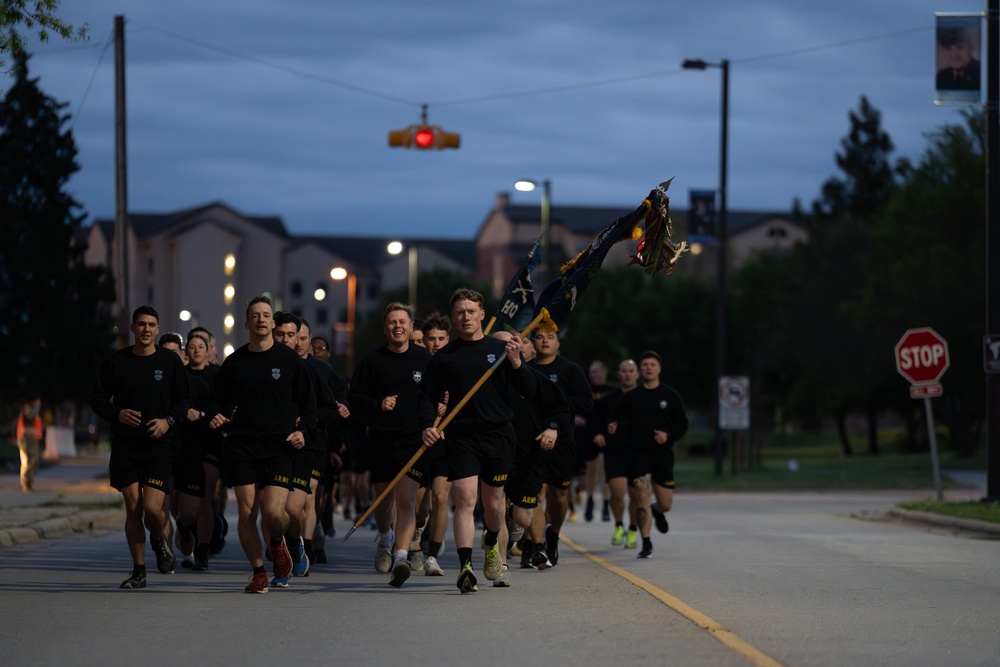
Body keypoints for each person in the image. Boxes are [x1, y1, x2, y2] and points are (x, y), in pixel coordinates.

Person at [419, 288, 531, 592]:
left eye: (471, 311)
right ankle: (466, 566)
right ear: (453, 318)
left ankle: (493, 543)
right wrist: (428, 425)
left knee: (495, 505)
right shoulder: (445, 356)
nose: (465, 316)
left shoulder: (501, 348)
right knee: (466, 499)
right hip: (462, 435)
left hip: (498, 434)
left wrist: (517, 361)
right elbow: (427, 395)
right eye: (459, 312)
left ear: (482, 314)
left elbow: (525, 387)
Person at [206, 295, 317, 593]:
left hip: (278, 447)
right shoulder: (235, 362)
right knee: (246, 513)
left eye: (266, 315)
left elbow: (310, 403)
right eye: (255, 315)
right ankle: (258, 571)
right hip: (242, 446)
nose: (261, 320)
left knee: (273, 514)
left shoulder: (290, 360)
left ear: (272, 321)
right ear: (247, 323)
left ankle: (278, 544)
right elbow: (216, 398)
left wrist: (304, 430)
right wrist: (216, 414)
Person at [91, 305, 191, 590]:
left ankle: (158, 540)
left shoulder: (170, 362)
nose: (146, 329)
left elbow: (183, 400)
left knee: (151, 509)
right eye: (141, 324)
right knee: (133, 509)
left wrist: (168, 421)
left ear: (157, 329)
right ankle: (138, 570)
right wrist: (117, 413)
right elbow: (98, 399)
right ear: (133, 329)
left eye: (151, 324)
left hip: (158, 445)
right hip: (125, 444)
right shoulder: (116, 361)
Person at [349, 303, 433, 587]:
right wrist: (378, 404)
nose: (398, 327)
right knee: (384, 502)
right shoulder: (372, 360)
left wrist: (433, 420)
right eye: (392, 322)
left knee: (406, 501)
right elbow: (355, 398)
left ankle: (400, 556)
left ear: (411, 327)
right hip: (382, 439)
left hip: (414, 441)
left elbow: (432, 397)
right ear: (385, 328)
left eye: (402, 322)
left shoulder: (424, 359)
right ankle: (385, 540)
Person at [608, 351, 689, 559]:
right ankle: (646, 541)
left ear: (659, 368)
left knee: (666, 503)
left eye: (652, 365)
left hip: (661, 455)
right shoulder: (631, 397)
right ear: (640, 370)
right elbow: (616, 415)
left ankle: (658, 510)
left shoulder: (670, 396)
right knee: (641, 495)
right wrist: (613, 425)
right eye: (645, 365)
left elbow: (682, 423)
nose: (648, 368)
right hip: (637, 454)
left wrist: (668, 436)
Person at [528, 328, 593, 566]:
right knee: (537, 493)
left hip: (563, 443)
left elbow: (586, 403)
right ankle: (538, 547)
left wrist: (558, 397)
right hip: (533, 442)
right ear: (532, 342)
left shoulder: (570, 370)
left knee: (559, 495)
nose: (545, 341)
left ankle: (552, 534)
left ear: (558, 343)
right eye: (539, 336)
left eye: (550, 337)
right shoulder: (527, 370)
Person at [413, 312, 452, 576]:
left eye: (440, 338)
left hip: (445, 440)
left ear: (447, 339)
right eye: (431, 339)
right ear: (423, 340)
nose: (436, 343)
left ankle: (432, 555)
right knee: (417, 504)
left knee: (440, 497)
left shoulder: (456, 362)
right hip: (417, 438)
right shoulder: (417, 365)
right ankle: (416, 534)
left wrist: (448, 404)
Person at [592, 359, 640, 547]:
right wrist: (598, 434)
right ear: (619, 375)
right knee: (618, 494)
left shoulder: (644, 397)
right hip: (615, 451)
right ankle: (619, 525)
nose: (627, 374)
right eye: (624, 371)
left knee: (636, 496)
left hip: (638, 453)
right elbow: (596, 420)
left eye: (631, 371)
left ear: (637, 374)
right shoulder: (609, 399)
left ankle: (633, 529)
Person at [583, 360, 615, 522]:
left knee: (604, 470)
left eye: (595, 371)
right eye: (590, 371)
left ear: (603, 373)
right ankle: (589, 500)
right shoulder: (586, 390)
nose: (591, 374)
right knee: (591, 470)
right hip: (588, 433)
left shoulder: (612, 391)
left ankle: (605, 503)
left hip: (606, 435)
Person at [15, 393, 44, 492]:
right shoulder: (28, 409)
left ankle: (29, 483)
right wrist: (36, 407)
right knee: (28, 460)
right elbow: (30, 416)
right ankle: (26, 483)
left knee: (34, 460)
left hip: (32, 440)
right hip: (26, 439)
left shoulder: (34, 411)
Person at [936, 27, 980, 91]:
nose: (953, 55)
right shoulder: (941, 77)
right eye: (948, 49)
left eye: (960, 48)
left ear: (971, 47)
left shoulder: (982, 73)